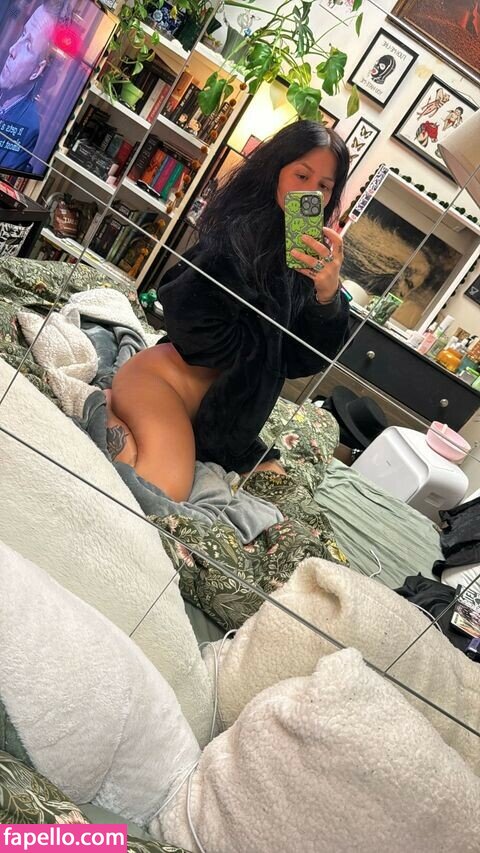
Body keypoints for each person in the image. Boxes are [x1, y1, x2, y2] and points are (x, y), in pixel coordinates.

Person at [106, 120, 350, 502]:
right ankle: (102, 409)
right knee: (163, 491)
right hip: (162, 385)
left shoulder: (301, 260)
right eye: (302, 175)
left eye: (323, 186)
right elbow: (186, 310)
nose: (310, 192)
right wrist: (259, 357)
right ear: (276, 171)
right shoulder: (238, 235)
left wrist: (327, 296)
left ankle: (124, 422)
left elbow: (300, 359)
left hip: (222, 425)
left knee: (280, 497)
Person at [0, 1, 61, 172]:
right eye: (22, 35)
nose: (12, 49)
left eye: (27, 46)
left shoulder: (29, 127)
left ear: (37, 70)